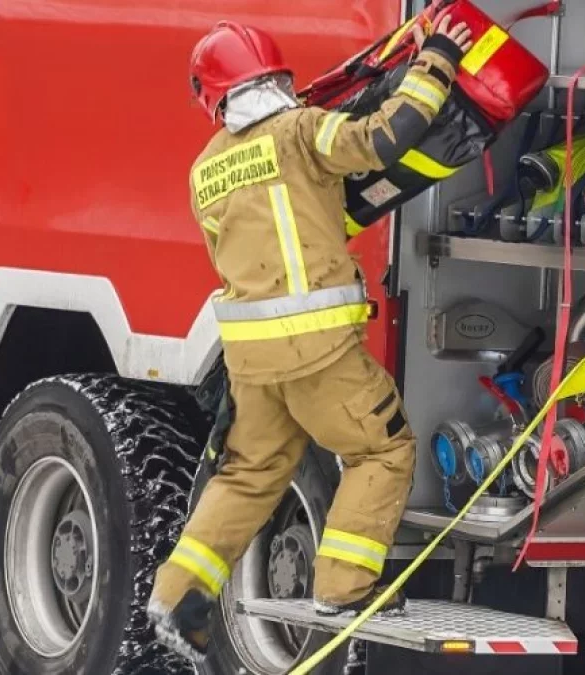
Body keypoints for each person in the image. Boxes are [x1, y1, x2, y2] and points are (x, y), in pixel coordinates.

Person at [147, 14, 475, 660]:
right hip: (317, 351)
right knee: (384, 449)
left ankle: (175, 595)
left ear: (214, 96)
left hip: (251, 361)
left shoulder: (205, 169)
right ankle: (344, 587)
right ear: (275, 75)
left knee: (250, 472)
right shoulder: (300, 131)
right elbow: (382, 137)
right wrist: (436, 60)